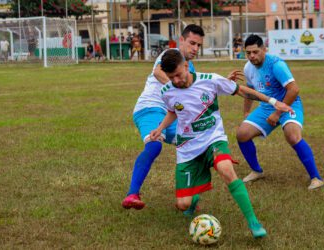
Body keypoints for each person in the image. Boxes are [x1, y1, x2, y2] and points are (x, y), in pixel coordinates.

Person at [150, 49, 292, 238]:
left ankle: (254, 223)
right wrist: (160, 129)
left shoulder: (210, 79)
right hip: (187, 148)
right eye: (171, 77)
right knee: (183, 204)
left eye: (178, 75)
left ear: (186, 66)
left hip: (212, 139)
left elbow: (241, 90)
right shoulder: (167, 91)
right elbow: (173, 111)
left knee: (226, 169)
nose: (176, 81)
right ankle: (193, 199)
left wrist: (274, 102)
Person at [121, 25, 204, 210]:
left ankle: (187, 199)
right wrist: (178, 87)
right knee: (155, 144)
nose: (195, 48)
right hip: (149, 107)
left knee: (193, 144)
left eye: (198, 45)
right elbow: (159, 72)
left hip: (170, 115)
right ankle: (132, 194)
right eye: (192, 43)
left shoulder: (189, 67)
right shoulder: (170, 54)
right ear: (181, 40)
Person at [236, 34, 324, 190]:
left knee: (292, 135)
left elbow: (294, 90)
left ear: (264, 49)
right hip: (267, 107)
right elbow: (250, 92)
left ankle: (316, 178)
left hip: (289, 104)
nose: (252, 56)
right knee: (242, 134)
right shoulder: (248, 67)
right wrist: (246, 113)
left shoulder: (276, 65)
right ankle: (257, 171)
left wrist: (277, 114)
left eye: (255, 52)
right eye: (248, 53)